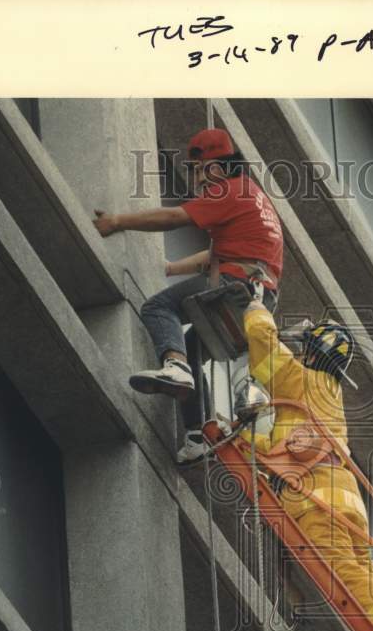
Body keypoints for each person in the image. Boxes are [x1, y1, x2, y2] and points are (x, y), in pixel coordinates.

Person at [93, 127, 283, 463]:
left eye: (197, 170)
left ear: (214, 166)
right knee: (193, 346)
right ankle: (198, 434)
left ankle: (175, 366)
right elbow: (217, 254)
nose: (196, 180)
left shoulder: (229, 190)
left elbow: (175, 217)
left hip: (234, 286)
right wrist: (170, 268)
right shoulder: (252, 195)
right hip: (258, 300)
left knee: (157, 308)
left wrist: (119, 221)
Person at [238, 297, 373, 631]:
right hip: (344, 498)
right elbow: (280, 449)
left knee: (343, 571)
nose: (298, 356)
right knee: (360, 568)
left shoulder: (301, 381)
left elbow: (263, 342)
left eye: (303, 351)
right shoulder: (330, 394)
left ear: (313, 355)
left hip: (316, 497)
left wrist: (254, 304)